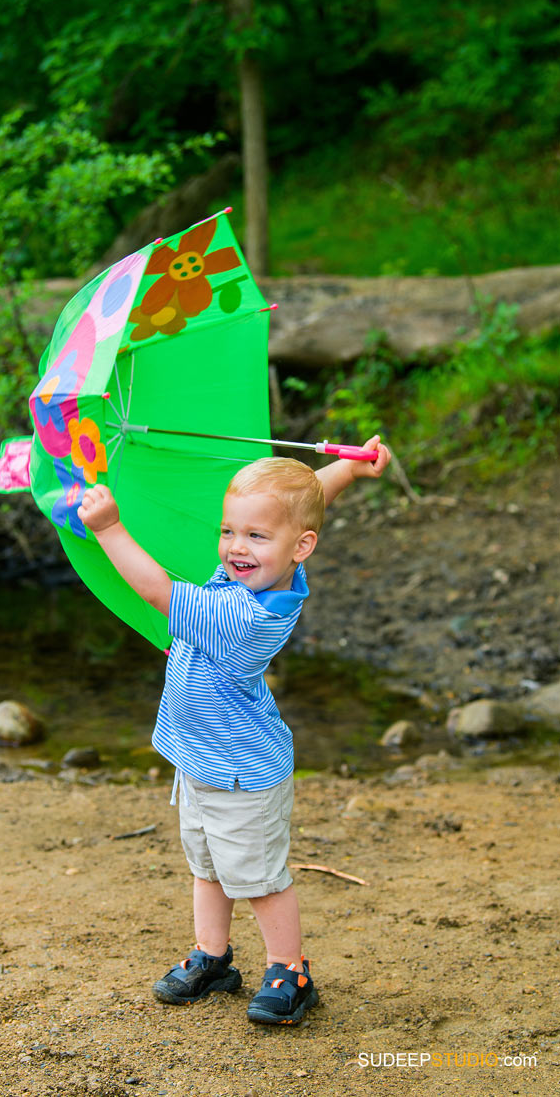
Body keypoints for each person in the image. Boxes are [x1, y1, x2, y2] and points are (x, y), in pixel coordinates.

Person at [78, 435, 391, 1026]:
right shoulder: (255, 575)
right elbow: (299, 506)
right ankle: (213, 958)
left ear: (301, 549)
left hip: (242, 773)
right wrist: (348, 469)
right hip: (202, 760)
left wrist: (109, 528)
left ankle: (288, 970)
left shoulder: (242, 614)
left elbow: (156, 590)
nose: (234, 547)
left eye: (253, 536)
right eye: (229, 531)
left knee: (260, 878)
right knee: (207, 866)